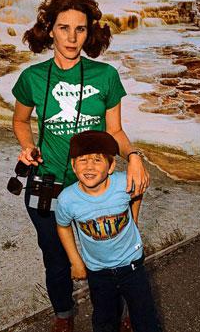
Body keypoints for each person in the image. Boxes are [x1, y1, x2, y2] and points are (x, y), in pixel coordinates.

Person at [10, 0, 150, 332]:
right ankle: (63, 313)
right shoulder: (32, 78)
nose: (72, 38)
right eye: (64, 28)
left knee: (113, 252)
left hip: (97, 185)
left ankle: (128, 312)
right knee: (56, 258)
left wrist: (133, 157)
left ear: (90, 34)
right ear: (50, 31)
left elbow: (115, 130)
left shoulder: (105, 76)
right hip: (48, 183)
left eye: (81, 30)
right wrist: (28, 146)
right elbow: (19, 121)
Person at [55, 130, 162, 332]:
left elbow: (138, 192)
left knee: (145, 319)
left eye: (97, 160)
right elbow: (63, 225)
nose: (89, 166)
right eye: (82, 160)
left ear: (111, 166)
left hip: (132, 266)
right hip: (98, 271)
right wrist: (76, 261)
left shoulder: (124, 183)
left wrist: (134, 220)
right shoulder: (67, 199)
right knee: (105, 321)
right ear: (72, 165)